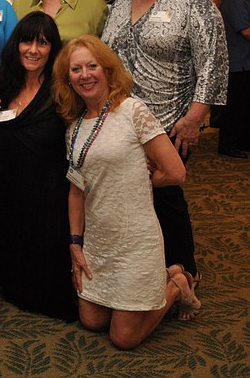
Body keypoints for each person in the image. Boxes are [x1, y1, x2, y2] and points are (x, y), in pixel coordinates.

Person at [51, 35, 199, 349]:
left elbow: (176, 172)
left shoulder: (133, 111)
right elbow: (77, 191)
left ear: (107, 69)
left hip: (135, 239)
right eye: (76, 69)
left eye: (92, 66)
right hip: (99, 241)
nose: (85, 74)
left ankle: (176, 283)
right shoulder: (73, 129)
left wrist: (144, 180)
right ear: (68, 79)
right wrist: (75, 244)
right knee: (92, 321)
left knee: (123, 338)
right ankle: (158, 286)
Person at [101, 0, 228, 282]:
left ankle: (184, 272)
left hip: (170, 122)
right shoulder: (118, 6)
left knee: (166, 198)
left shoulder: (193, 0)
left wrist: (194, 117)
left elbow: (214, 63)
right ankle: (141, 272)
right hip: (121, 121)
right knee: (130, 197)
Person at [0, 12, 76, 320]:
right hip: (8, 190)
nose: (33, 50)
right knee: (14, 278)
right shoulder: (3, 83)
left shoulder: (62, 89)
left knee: (51, 290)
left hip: (48, 194)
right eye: (26, 41)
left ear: (53, 49)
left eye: (43, 43)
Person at [217, 0, 250, 157]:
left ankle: (244, 141)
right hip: (238, 63)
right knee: (236, 106)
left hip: (248, 62)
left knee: (247, 106)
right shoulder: (235, 0)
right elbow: (246, 31)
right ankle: (228, 144)